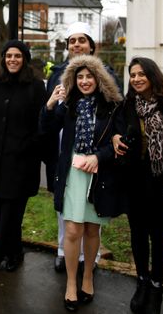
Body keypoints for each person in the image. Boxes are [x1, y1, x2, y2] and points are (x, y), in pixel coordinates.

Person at [41, 21, 120, 272]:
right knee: (66, 205)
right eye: (72, 41)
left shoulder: (106, 73)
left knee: (91, 208)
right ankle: (65, 251)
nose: (77, 45)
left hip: (96, 151)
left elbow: (115, 110)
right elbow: (50, 116)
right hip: (65, 149)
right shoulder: (58, 73)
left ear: (92, 46)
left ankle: (90, 257)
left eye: (82, 40)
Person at [48, 54, 124, 312]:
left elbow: (119, 142)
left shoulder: (112, 105)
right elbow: (45, 130)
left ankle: (88, 276)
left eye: (89, 76)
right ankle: (71, 283)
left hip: (98, 173)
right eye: (79, 77)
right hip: (72, 173)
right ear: (73, 80)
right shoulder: (68, 104)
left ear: (98, 78)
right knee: (72, 231)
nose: (84, 81)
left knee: (92, 230)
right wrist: (49, 106)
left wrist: (99, 156)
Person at [112, 57, 163, 314]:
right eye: (132, 74)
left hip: (161, 181)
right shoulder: (127, 105)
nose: (136, 79)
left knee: (159, 236)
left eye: (141, 74)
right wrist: (116, 137)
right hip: (134, 179)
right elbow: (113, 131)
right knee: (138, 233)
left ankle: (156, 285)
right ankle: (141, 281)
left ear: (152, 76)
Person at [0, 40, 46, 275]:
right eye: (8, 56)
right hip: (0, 157)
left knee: (12, 208)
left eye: (17, 56)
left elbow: (41, 122)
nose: (12, 60)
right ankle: (15, 251)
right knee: (2, 205)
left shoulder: (36, 86)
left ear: (25, 59)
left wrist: (29, 145)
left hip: (23, 160)